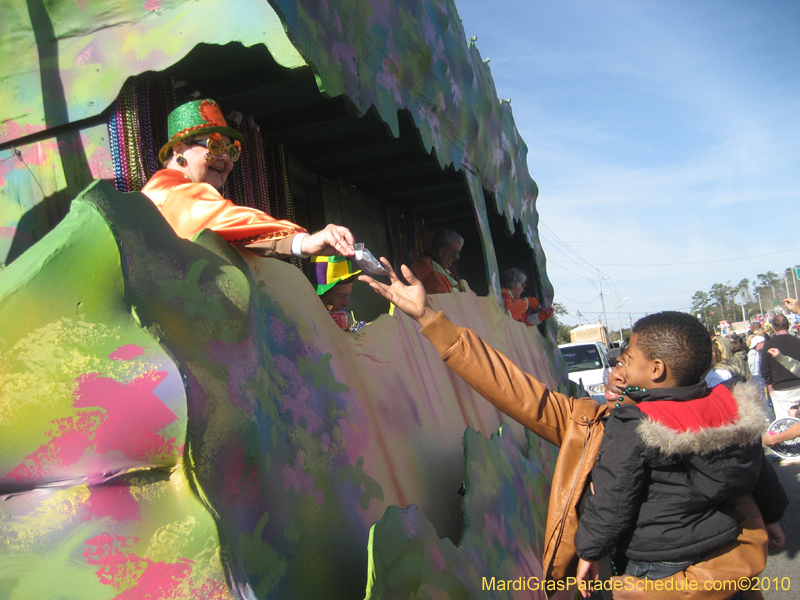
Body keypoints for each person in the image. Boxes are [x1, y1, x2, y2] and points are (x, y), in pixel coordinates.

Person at [360, 259, 786, 598]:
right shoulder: (710, 413)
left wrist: (601, 557)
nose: (615, 371)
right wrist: (431, 319)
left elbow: (619, 505)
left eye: (624, 361)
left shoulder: (622, 426)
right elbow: (509, 386)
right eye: (616, 362)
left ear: (656, 372)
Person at [573, 312, 765, 588]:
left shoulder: (635, 422)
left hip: (656, 557)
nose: (623, 368)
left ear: (656, 369)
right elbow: (761, 473)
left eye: (629, 360)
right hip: (720, 541)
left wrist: (590, 552)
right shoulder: (729, 404)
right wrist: (770, 516)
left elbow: (613, 498)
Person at [141, 98, 355, 259]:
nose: (225, 157)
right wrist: (304, 242)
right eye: (214, 145)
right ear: (179, 150)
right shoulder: (169, 188)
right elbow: (219, 216)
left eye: (232, 151)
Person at [760, 314, 800, 420]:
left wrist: (770, 387)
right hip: (797, 384)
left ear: (773, 327)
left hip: (781, 389)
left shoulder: (768, 345)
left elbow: (765, 369)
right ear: (788, 325)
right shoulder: (797, 341)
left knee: (785, 423)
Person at [309, 255, 364, 332]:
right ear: (319, 297)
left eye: (348, 295)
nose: (347, 304)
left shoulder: (348, 323)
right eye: (341, 296)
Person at [408, 227, 464, 294]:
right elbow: (447, 302)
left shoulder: (426, 261)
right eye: (455, 254)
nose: (456, 258)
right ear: (442, 252)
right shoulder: (433, 273)